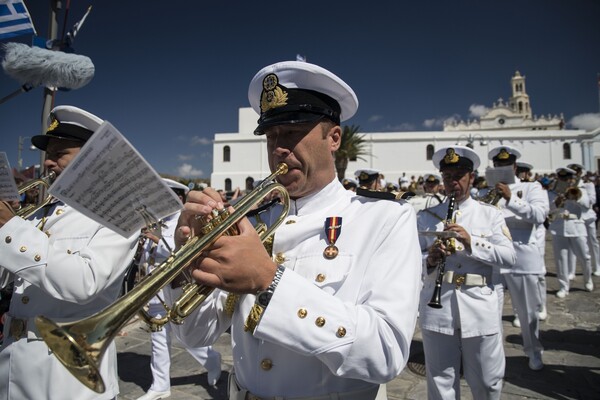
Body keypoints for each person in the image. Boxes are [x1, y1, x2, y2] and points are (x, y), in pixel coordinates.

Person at [170, 60, 422, 400]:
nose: (278, 149)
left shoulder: (384, 217)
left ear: (334, 138)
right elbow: (195, 335)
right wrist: (187, 264)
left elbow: (386, 353)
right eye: (271, 136)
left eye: (292, 133)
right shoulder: (252, 220)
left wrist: (268, 280)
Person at [0, 105, 138, 400]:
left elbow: (83, 283)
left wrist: (10, 228)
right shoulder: (39, 213)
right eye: (47, 154)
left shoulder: (119, 213)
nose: (48, 162)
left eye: (59, 153)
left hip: (68, 376)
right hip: (13, 363)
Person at [417, 146, 516, 400]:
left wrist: (473, 243)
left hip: (480, 305)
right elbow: (407, 263)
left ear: (471, 177)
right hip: (438, 308)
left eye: (459, 175)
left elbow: (509, 257)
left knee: (487, 381)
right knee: (440, 383)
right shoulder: (425, 217)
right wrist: (430, 259)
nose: (453, 182)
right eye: (447, 176)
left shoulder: (490, 214)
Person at [136, 178, 222, 400]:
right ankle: (160, 385)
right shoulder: (155, 222)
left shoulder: (185, 223)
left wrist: (157, 239)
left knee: (188, 340)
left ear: (178, 198)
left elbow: (183, 256)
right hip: (155, 293)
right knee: (158, 342)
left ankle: (212, 360)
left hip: (177, 293)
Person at [487, 146, 549, 370]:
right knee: (490, 311)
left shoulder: (531, 187)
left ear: (514, 167)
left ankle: (533, 350)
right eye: (498, 166)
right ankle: (494, 357)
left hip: (522, 257)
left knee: (527, 311)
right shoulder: (488, 192)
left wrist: (511, 199)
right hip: (494, 257)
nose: (502, 169)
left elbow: (539, 215)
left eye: (505, 166)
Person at [547, 167, 593, 297]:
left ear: (571, 179)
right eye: (562, 179)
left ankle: (588, 279)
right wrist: (557, 202)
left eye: (567, 179)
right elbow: (548, 210)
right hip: (559, 227)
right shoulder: (552, 193)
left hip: (577, 226)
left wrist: (574, 197)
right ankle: (563, 286)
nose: (564, 181)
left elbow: (587, 205)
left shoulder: (581, 190)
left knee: (585, 256)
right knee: (561, 259)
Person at [566, 163, 600, 280]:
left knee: (592, 241)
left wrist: (578, 196)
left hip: (588, 216)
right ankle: (571, 271)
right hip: (574, 218)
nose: (575, 176)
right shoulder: (566, 186)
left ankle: (597, 266)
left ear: (580, 173)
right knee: (571, 244)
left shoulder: (588, 185)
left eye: (577, 173)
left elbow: (591, 201)